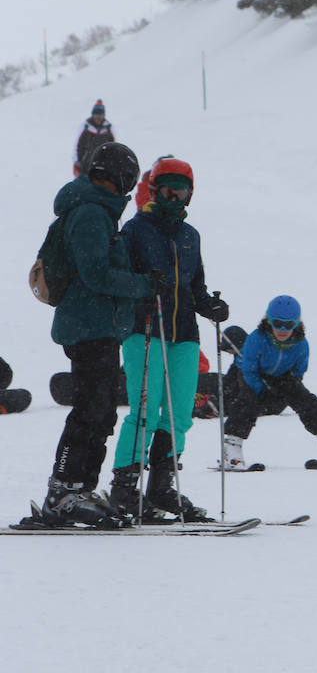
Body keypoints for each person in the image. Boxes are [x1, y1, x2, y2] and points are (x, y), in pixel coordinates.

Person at [37, 141, 154, 527]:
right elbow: (95, 274)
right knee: (91, 410)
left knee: (100, 411)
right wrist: (142, 285)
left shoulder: (97, 211)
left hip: (97, 325)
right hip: (88, 326)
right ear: (120, 177)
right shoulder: (90, 213)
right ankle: (64, 491)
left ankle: (78, 489)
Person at [107, 157, 228, 520]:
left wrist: (210, 306)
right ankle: (125, 488)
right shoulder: (136, 228)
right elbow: (119, 276)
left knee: (178, 416)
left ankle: (161, 487)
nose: (175, 195)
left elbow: (195, 286)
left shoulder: (191, 236)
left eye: (182, 189)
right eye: (168, 188)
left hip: (184, 335)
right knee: (144, 411)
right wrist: (144, 288)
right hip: (145, 329)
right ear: (155, 189)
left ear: (191, 194)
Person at [220, 295, 317, 468]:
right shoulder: (256, 339)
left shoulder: (301, 344)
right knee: (246, 405)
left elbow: (300, 369)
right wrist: (259, 388)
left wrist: (290, 383)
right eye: (277, 323)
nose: (282, 329)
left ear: (296, 324)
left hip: (284, 377)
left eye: (288, 325)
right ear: (269, 321)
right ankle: (232, 451)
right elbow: (248, 369)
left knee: (308, 402)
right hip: (254, 377)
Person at [73, 100, 115, 176]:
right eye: (96, 115)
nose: (98, 118)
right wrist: (77, 163)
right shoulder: (86, 128)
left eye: (100, 116)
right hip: (86, 165)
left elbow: (113, 148)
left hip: (103, 165)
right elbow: (78, 146)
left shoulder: (108, 129)